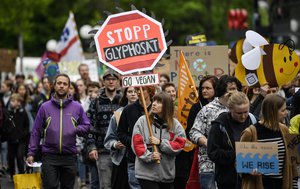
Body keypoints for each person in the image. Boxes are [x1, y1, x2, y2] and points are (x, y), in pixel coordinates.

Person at [26, 73, 90, 189]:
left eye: (65, 84)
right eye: (59, 83)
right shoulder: (45, 107)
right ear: (54, 86)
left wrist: (75, 128)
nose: (62, 86)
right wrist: (31, 153)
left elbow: (86, 127)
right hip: (49, 156)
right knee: (50, 186)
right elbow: (36, 131)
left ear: (69, 87)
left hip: (69, 157)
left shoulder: (77, 107)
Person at [189, 75, 242, 189]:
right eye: (231, 89)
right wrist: (209, 143)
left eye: (236, 89)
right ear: (223, 90)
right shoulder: (207, 110)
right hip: (210, 165)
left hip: (236, 165)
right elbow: (194, 132)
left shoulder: (240, 110)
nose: (235, 92)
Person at [240, 94, 297, 189]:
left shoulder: (285, 130)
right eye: (283, 110)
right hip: (259, 184)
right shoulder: (250, 132)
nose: (286, 113)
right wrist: (249, 170)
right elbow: (239, 163)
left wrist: (294, 186)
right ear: (272, 112)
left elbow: (293, 162)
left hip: (281, 184)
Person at [132, 92, 186, 189]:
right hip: (146, 174)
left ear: (167, 106)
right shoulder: (143, 121)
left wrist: (161, 143)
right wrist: (149, 156)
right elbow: (137, 144)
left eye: (159, 102)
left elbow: (180, 144)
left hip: (166, 174)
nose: (154, 103)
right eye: (154, 100)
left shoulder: (175, 125)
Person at [207, 91, 257, 189]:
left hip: (250, 179)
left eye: (246, 112)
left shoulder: (253, 120)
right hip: (228, 180)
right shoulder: (219, 125)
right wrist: (237, 154)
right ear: (230, 109)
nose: (243, 116)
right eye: (239, 113)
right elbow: (213, 152)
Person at [87, 69, 122, 189]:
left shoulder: (123, 100)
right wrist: (91, 147)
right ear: (104, 82)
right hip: (103, 151)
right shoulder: (96, 101)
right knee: (105, 186)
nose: (111, 81)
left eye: (113, 79)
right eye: (108, 79)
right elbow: (91, 126)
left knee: (121, 185)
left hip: (122, 151)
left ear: (118, 82)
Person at [118, 86, 156, 189]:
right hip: (134, 159)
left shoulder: (157, 108)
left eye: (143, 89)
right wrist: (133, 142)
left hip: (155, 158)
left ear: (150, 91)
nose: (139, 92)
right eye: (137, 89)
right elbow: (121, 133)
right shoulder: (128, 110)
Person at [104, 86, 138, 189]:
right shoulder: (118, 114)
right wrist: (115, 144)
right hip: (122, 159)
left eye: (135, 91)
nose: (133, 94)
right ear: (125, 95)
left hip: (141, 158)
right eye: (130, 91)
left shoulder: (147, 112)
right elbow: (109, 138)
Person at [3, 93, 29, 180]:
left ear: (19, 102)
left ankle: (22, 174)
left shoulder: (23, 112)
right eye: (12, 101)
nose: (13, 103)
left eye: (15, 101)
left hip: (21, 140)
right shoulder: (7, 112)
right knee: (10, 158)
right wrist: (8, 134)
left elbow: (26, 125)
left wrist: (23, 135)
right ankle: (13, 175)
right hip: (11, 140)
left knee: (19, 156)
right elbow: (5, 125)